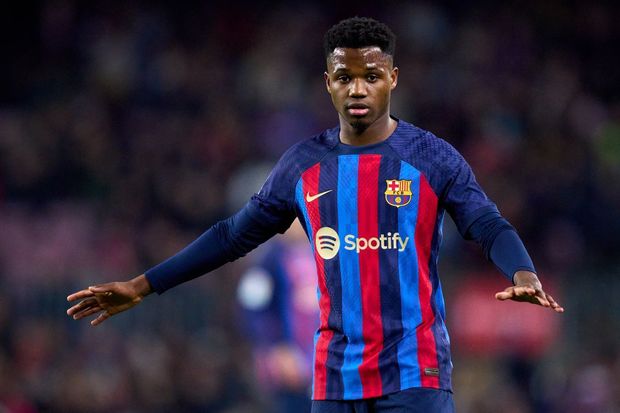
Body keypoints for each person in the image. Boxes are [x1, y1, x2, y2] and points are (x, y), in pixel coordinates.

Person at [67, 16, 564, 413]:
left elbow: (487, 223)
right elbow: (231, 236)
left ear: (392, 79)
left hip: (416, 374)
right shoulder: (303, 165)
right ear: (328, 83)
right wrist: (143, 285)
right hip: (334, 379)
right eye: (345, 78)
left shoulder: (432, 158)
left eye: (371, 77)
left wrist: (522, 271)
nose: (358, 90)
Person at [237, 219, 317, 412]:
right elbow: (252, 306)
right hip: (290, 362)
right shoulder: (268, 260)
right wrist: (275, 346)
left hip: (327, 359)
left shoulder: (332, 250)